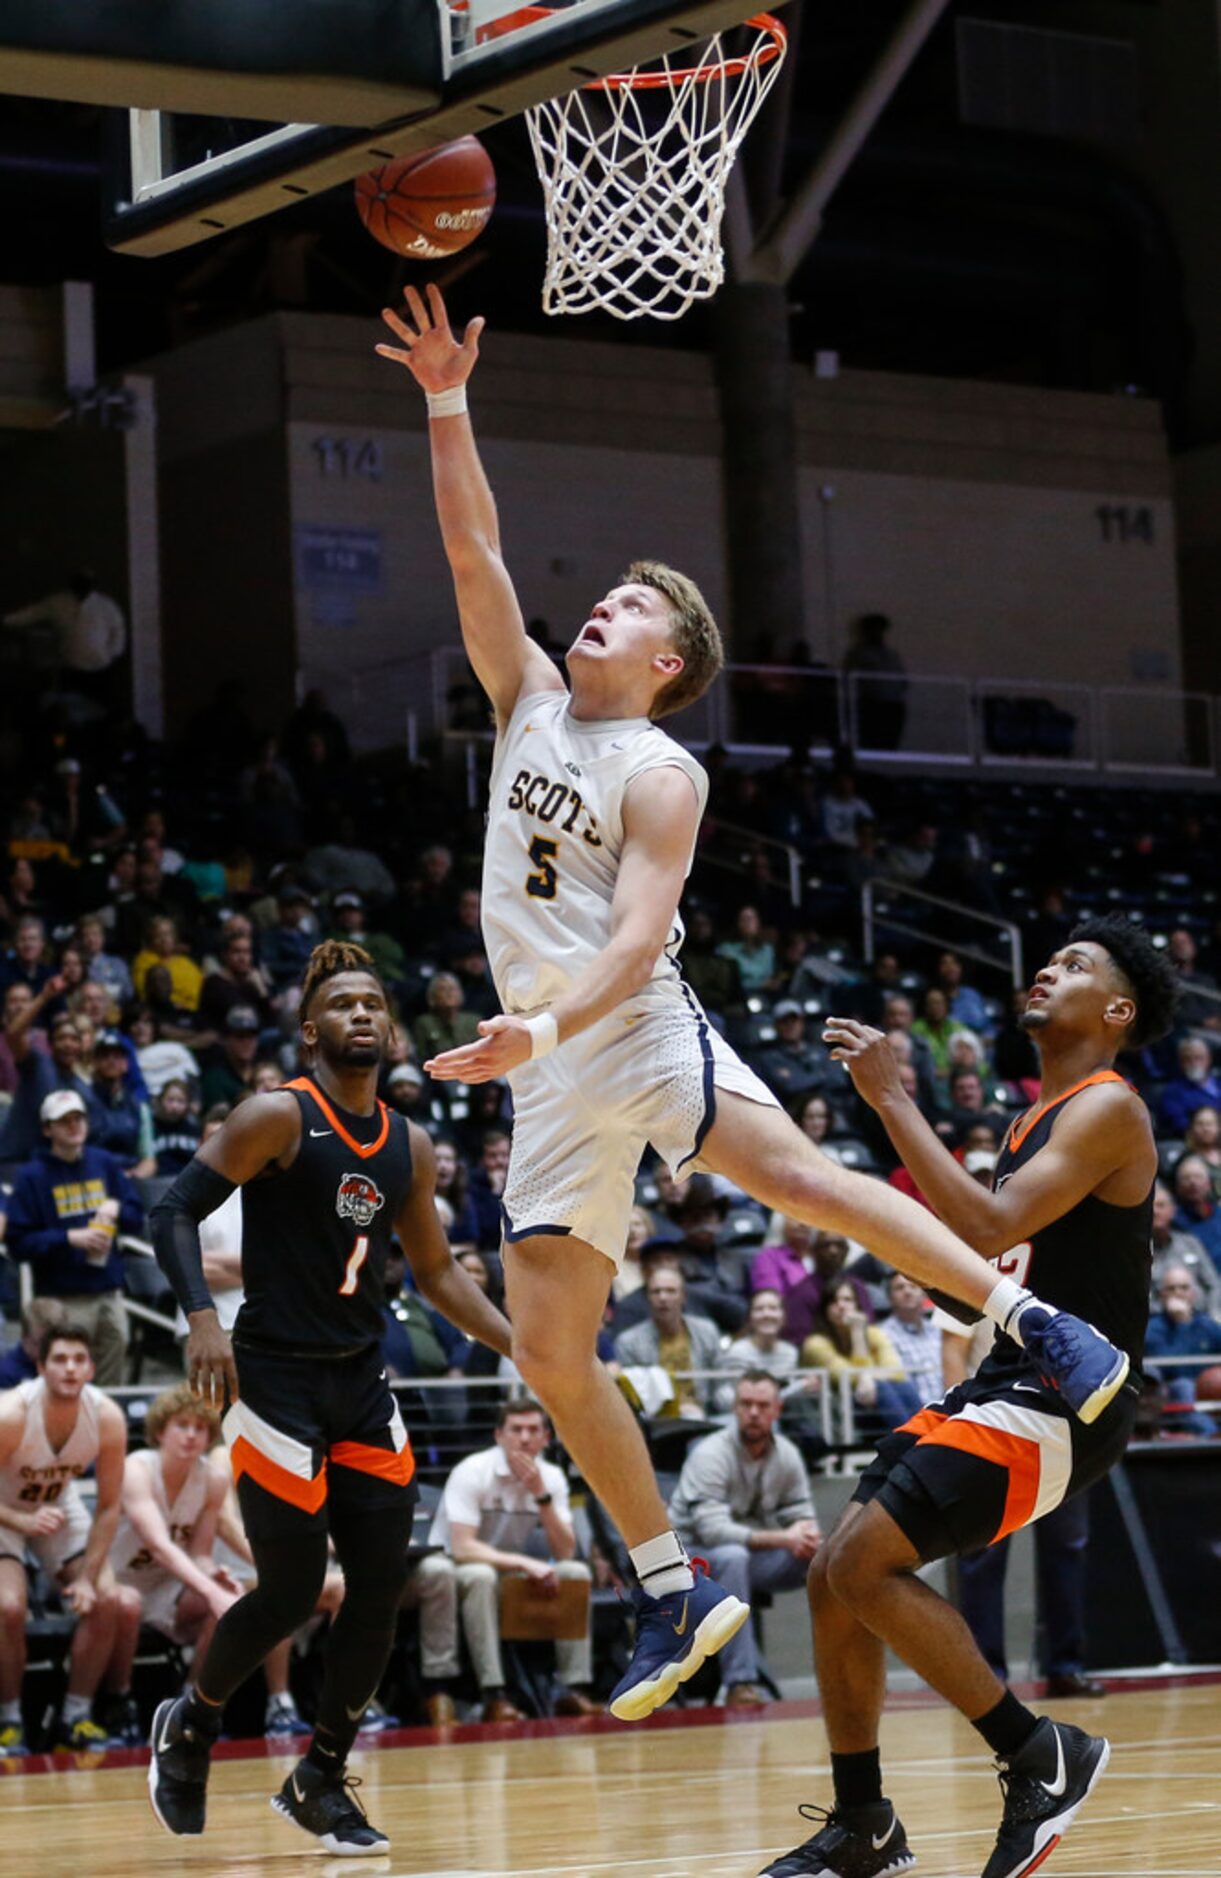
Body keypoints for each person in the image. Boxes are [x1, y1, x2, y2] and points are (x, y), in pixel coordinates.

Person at [377, 282, 1136, 1736]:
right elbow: (470, 543)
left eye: (634, 608)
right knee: (544, 1346)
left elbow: (642, 933)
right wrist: (443, 396)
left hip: (627, 1028)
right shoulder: (526, 694)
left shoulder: (663, 771)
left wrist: (539, 1029)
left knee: (794, 1175)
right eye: (603, 593)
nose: (600, 604)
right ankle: (669, 1584)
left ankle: (1038, 1321)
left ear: (665, 665)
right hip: (545, 1074)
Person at [758, 915, 1178, 1878]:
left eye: (1073, 965)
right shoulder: (1033, 1120)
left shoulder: (1111, 1107)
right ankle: (862, 1822)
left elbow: (986, 1222)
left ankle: (1040, 1754)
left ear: (1115, 1009)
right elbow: (980, 1265)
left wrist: (892, 1100)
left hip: (1070, 1391)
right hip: (1000, 1375)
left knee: (864, 1564)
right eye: (1049, 956)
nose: (1045, 969)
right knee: (833, 1576)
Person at [146, 939, 513, 1854]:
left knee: (383, 1585)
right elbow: (171, 1210)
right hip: (272, 1380)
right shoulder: (277, 1115)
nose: (363, 1014)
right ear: (310, 1030)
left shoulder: (410, 1143)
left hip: (359, 1380)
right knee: (292, 1588)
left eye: (374, 1004)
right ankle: (189, 1725)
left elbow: (434, 1271)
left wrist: (522, 1347)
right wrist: (201, 1318)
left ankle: (319, 1777)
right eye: (343, 1004)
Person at [420, 1398, 598, 1721]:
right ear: (498, 1435)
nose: (525, 1438)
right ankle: (494, 1695)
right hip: (455, 1569)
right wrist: (523, 1563)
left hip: (506, 1571)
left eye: (533, 1430)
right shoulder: (472, 1472)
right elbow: (462, 1548)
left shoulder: (552, 1477)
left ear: (546, 1438)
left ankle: (573, 1690)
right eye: (516, 1430)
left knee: (574, 1573)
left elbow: (565, 1553)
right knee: (480, 1576)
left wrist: (541, 1496)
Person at [0, 1324, 129, 1753]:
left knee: (107, 1598)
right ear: (40, 1367)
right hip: (5, 1511)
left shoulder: (107, 1417)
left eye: (79, 1360)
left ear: (92, 1368)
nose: (70, 1369)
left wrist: (89, 1578)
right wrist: (18, 1520)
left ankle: (75, 1715)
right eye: (59, 1360)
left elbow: (109, 1507)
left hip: (57, 1504)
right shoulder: (12, 1414)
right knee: (8, 1607)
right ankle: (11, 1719)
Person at [669, 1371, 820, 1707]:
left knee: (827, 1560)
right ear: (735, 1409)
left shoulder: (787, 1455)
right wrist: (785, 1538)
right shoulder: (710, 1453)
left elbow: (800, 1512)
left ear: (777, 1410)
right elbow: (712, 1531)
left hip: (748, 1554)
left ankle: (845, 1668)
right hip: (690, 1560)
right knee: (732, 1556)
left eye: (762, 1405)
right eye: (746, 1404)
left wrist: (807, 1536)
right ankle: (740, 1683)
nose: (754, 1412)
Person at [103, 1385, 242, 1745]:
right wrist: (208, 1588)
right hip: (117, 1579)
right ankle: (118, 1702)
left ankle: (192, 1705)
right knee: (129, 1603)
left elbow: (199, 1553)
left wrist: (213, 1576)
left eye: (201, 1428)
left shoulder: (213, 1478)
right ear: (161, 1430)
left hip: (166, 1587)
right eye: (182, 1425)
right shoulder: (136, 1468)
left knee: (229, 1601)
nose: (192, 1435)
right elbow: (160, 1546)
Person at [5, 1089, 144, 1386]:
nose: (74, 1125)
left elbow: (137, 1216)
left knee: (111, 1386)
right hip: (61, 1300)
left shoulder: (105, 1163)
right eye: (64, 1120)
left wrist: (118, 1207)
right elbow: (17, 1243)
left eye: (79, 1118)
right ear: (47, 1129)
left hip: (109, 1294)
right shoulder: (32, 1176)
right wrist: (69, 1237)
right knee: (68, 1383)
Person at [800, 1279, 920, 1436]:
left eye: (847, 1300)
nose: (841, 1305)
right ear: (825, 1309)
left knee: (903, 1386)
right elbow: (851, 1378)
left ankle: (922, 1437)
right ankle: (913, 1441)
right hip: (840, 1413)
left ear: (857, 1305)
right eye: (834, 1301)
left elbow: (897, 1373)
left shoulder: (873, 1333)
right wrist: (857, 1333)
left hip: (874, 1405)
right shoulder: (815, 1344)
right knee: (881, 1387)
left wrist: (869, 1376)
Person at [613, 1264, 724, 1417]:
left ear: (684, 1296)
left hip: (705, 1412)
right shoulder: (628, 1342)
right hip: (655, 1420)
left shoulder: (707, 1331)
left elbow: (721, 1381)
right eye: (656, 1292)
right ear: (647, 1298)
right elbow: (630, 1395)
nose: (663, 1298)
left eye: (670, 1291)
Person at [1144, 1262, 1221, 1436]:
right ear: (1162, 1295)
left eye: (1184, 1288)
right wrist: (1182, 1325)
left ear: (1193, 1293)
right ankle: (1212, 1436)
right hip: (1168, 1391)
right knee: (1184, 1386)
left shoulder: (1208, 1326)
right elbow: (1169, 1367)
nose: (1178, 1293)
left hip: (1207, 1389)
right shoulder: (1152, 1328)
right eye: (1171, 1288)